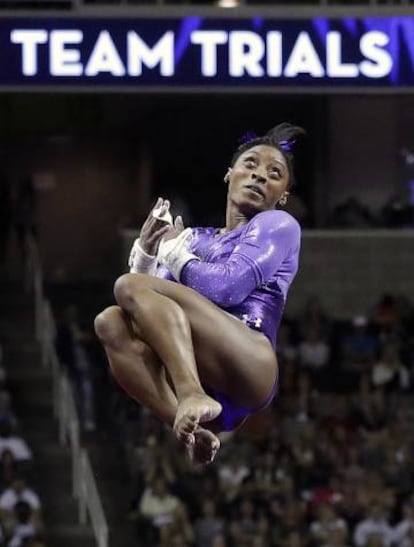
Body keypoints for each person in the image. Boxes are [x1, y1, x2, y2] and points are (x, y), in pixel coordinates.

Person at [94, 123, 304, 464]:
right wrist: (147, 258)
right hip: (208, 375)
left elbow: (227, 288)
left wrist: (173, 257)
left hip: (248, 360)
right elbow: (147, 314)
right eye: (250, 164)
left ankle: (190, 394)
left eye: (274, 173)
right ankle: (189, 427)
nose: (259, 176)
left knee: (128, 286)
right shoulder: (193, 238)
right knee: (110, 322)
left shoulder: (278, 225)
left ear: (282, 196)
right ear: (229, 173)